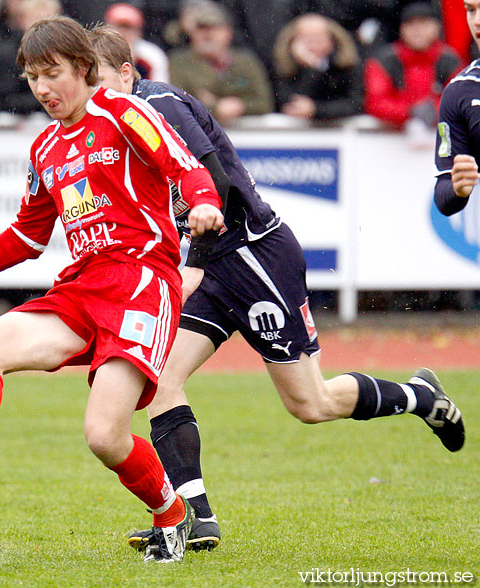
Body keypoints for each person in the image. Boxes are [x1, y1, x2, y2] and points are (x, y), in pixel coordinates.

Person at [88, 24, 466, 554]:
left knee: (311, 404)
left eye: (97, 81)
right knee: (160, 378)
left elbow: (212, 178)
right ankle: (194, 517)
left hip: (252, 255)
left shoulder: (161, 105)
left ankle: (420, 396)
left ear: (127, 72)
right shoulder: (111, 124)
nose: (90, 96)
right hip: (213, 263)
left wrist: (191, 262)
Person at [0, 16, 224, 563]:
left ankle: (172, 518)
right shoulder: (46, 149)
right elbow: (22, 239)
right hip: (82, 288)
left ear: (84, 69)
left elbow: (184, 164)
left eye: (52, 73)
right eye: (33, 78)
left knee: (105, 437)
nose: (42, 88)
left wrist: (204, 202)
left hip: (140, 285)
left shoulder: (124, 112)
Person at [168, 1, 274, 127]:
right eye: (201, 28)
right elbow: (175, 105)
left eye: (214, 28)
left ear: (228, 32)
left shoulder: (246, 62)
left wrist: (240, 106)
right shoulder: (179, 62)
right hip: (198, 133)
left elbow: (265, 103)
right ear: (192, 33)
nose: (208, 34)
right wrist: (215, 108)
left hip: (246, 134)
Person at [364, 3, 462, 132]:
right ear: (401, 29)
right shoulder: (384, 61)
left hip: (440, 135)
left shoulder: (450, 60)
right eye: (410, 24)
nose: (417, 30)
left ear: (437, 28)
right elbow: (375, 102)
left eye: (423, 23)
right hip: (392, 138)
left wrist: (434, 110)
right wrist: (411, 112)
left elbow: (458, 100)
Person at [434, 0, 480, 216]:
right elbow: (443, 193)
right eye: (471, 10)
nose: (477, 21)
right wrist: (458, 187)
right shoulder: (461, 91)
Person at [273, 13, 363, 121]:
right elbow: (289, 103)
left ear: (332, 41)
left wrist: (316, 110)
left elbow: (354, 105)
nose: (313, 45)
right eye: (307, 40)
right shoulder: (284, 67)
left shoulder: (346, 66)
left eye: (318, 39)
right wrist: (310, 69)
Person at [104, 2, 170, 83]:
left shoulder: (153, 56)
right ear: (107, 29)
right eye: (118, 27)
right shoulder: (96, 53)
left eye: (128, 28)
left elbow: (159, 90)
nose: (122, 33)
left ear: (138, 32)